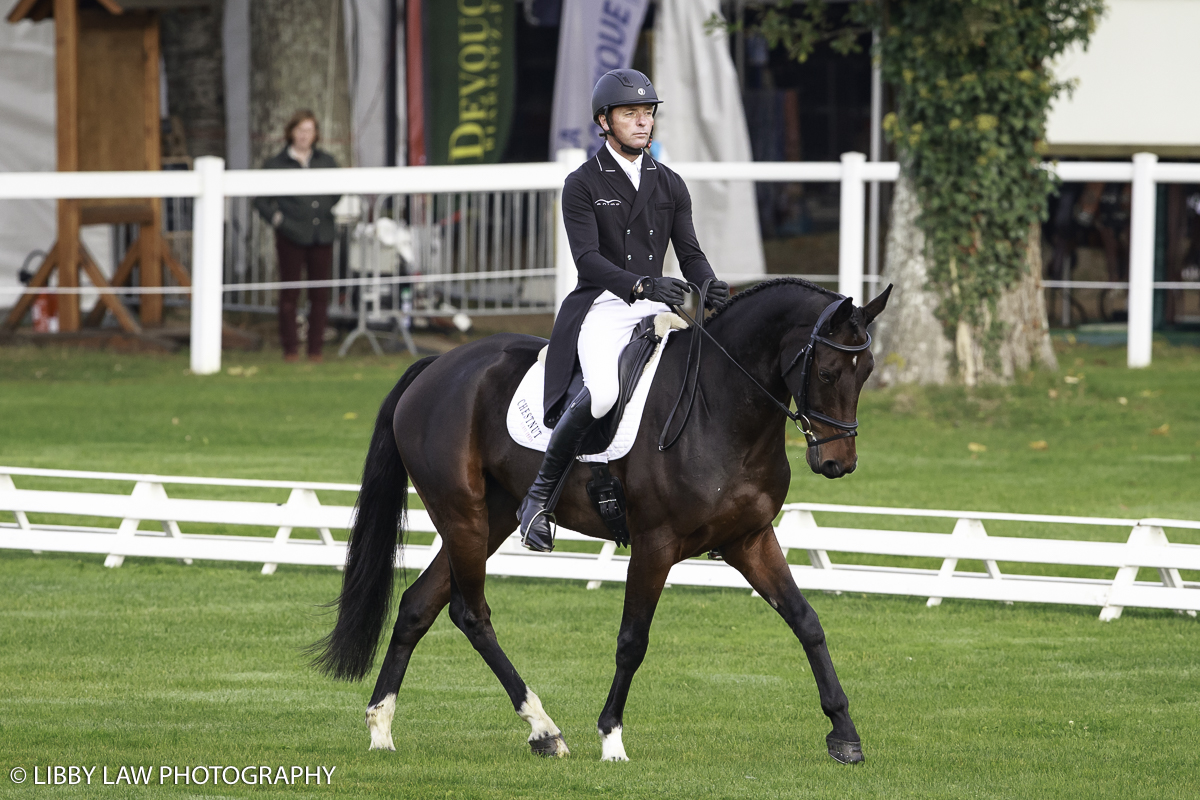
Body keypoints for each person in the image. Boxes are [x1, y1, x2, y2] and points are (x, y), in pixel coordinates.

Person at [517, 68, 730, 552]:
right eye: (630, 114)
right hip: (602, 305)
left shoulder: (670, 183)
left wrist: (708, 283)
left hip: (654, 306)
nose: (642, 122)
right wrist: (640, 283)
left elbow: (690, 252)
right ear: (605, 121)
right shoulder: (583, 183)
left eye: (648, 113)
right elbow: (588, 260)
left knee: (699, 380)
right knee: (604, 393)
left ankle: (704, 506)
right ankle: (537, 500)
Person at [253, 110, 341, 362]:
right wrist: (280, 220)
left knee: (320, 294)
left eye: (309, 130)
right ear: (291, 132)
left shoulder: (326, 161)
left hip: (321, 234)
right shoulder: (276, 164)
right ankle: (290, 348)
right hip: (291, 235)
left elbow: (337, 192)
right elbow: (260, 201)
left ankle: (315, 350)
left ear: (316, 134)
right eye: (300, 130)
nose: (304, 135)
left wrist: (323, 209)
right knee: (290, 293)